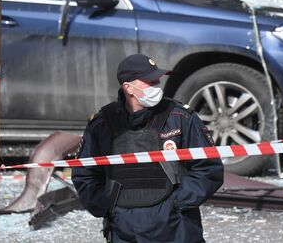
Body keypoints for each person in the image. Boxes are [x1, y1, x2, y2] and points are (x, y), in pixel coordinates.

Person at [72, 54, 224, 243]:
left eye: (157, 81)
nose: (156, 87)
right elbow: (84, 173)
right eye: (149, 82)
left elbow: (209, 168)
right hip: (124, 231)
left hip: (176, 229)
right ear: (128, 87)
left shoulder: (180, 117)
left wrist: (176, 204)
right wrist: (108, 206)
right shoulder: (102, 124)